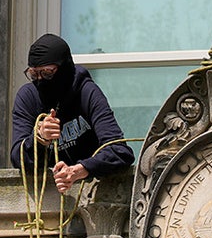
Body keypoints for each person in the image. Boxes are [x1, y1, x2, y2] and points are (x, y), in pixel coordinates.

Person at [10, 33, 134, 193]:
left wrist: (80, 170)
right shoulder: (28, 96)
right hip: (47, 196)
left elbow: (119, 150)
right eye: (34, 74)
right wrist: (39, 139)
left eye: (47, 73)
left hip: (90, 191)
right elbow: (17, 157)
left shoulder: (87, 92)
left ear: (64, 68)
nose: (40, 80)